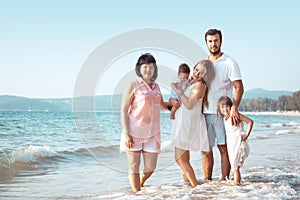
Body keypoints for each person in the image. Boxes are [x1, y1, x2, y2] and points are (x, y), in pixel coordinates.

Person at [120, 53, 170, 193]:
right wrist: (127, 133)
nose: (148, 69)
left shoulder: (157, 87)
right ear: (139, 69)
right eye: (145, 66)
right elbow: (124, 110)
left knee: (150, 167)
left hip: (152, 133)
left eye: (151, 66)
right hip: (134, 130)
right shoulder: (133, 85)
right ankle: (137, 194)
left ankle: (139, 184)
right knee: (134, 165)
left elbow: (160, 105)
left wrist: (172, 105)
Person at [202, 28, 245, 181]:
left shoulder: (230, 63)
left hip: (222, 113)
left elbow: (239, 87)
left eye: (216, 41)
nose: (213, 44)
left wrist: (234, 107)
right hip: (205, 112)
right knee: (206, 150)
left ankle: (224, 181)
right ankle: (208, 182)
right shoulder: (204, 63)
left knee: (223, 148)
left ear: (221, 41)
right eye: (210, 41)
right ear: (206, 43)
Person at [171, 60, 215, 187]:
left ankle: (196, 186)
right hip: (184, 121)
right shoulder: (192, 83)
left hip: (188, 122)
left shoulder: (200, 85)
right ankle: (187, 186)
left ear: (205, 76)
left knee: (179, 158)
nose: (197, 73)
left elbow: (189, 104)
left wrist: (179, 93)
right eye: (196, 69)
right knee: (184, 158)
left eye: (201, 72)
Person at [217, 96, 253, 185]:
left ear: (231, 106)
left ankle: (236, 186)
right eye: (222, 107)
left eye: (227, 106)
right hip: (231, 143)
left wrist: (247, 135)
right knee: (234, 165)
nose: (225, 109)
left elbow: (250, 122)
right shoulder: (225, 118)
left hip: (237, 142)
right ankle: (237, 183)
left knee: (235, 166)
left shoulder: (235, 115)